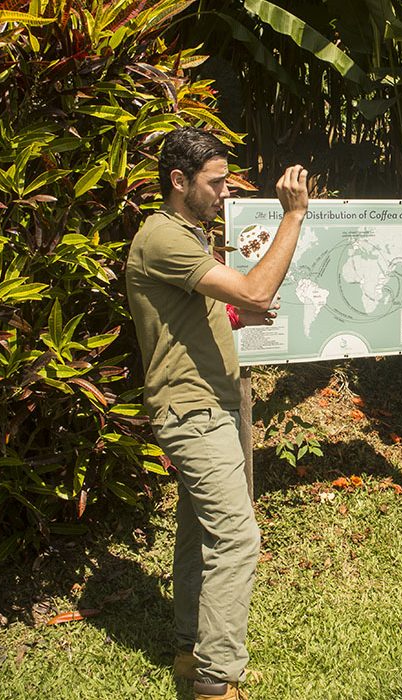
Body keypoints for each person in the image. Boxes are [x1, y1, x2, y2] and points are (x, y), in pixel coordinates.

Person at [126, 127, 310, 700]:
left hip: (210, 404)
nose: (226, 192)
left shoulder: (185, 234)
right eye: (216, 183)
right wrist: (294, 217)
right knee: (237, 539)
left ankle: (189, 651)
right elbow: (254, 290)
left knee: (198, 536)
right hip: (193, 411)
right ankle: (215, 683)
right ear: (179, 183)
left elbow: (183, 315)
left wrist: (231, 323)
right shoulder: (163, 237)